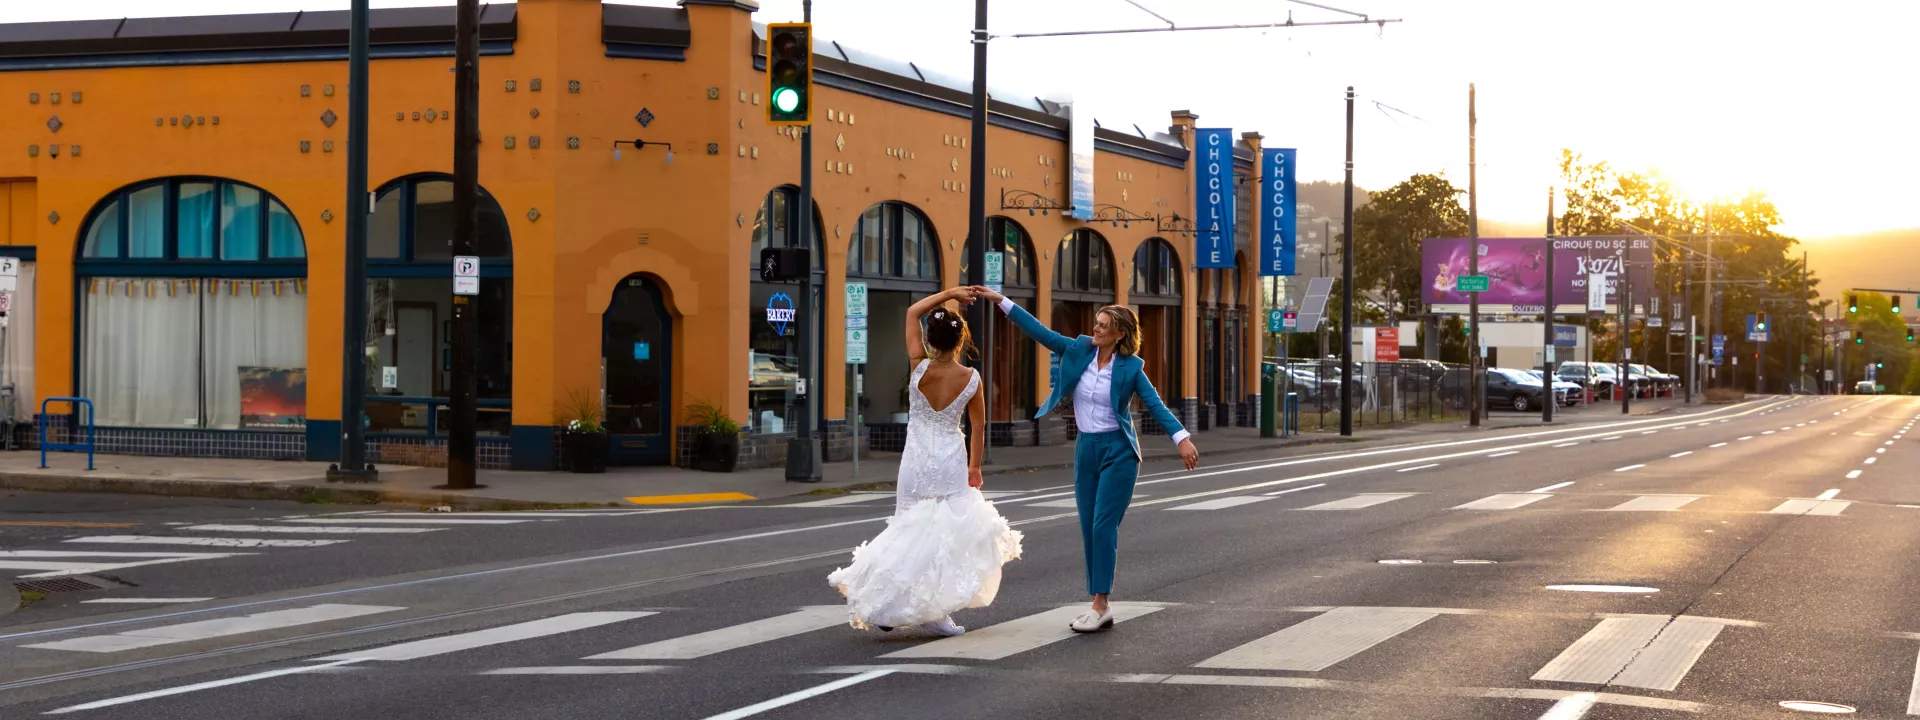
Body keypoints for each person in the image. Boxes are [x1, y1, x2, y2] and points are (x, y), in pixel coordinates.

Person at [972, 287, 1199, 633]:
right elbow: (1039, 331)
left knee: (1102, 526)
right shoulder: (1078, 349)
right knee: (1087, 527)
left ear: (1120, 334)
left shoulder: (1130, 368)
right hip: (1086, 449)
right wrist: (999, 300)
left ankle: (1099, 603)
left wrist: (1181, 438)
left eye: (1103, 325)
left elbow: (1154, 404)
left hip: (1119, 452)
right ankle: (1101, 604)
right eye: (1096, 322)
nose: (1096, 329)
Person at [827, 287, 1023, 636]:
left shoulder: (918, 366)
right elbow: (978, 427)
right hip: (950, 460)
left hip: (915, 462)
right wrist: (975, 467)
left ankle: (887, 607)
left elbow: (911, 312)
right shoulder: (971, 379)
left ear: (929, 340)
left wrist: (950, 294)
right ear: (960, 341)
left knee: (906, 531)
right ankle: (935, 610)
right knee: (944, 538)